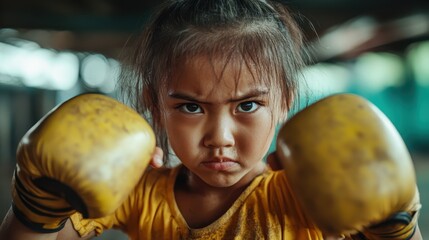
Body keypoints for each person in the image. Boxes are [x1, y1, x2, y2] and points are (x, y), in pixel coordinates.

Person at [0, 0, 423, 239]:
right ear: (154, 104)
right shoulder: (141, 195)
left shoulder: (305, 196)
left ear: (284, 101)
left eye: (247, 106)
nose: (219, 138)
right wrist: (36, 205)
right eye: (190, 107)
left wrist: (397, 225)